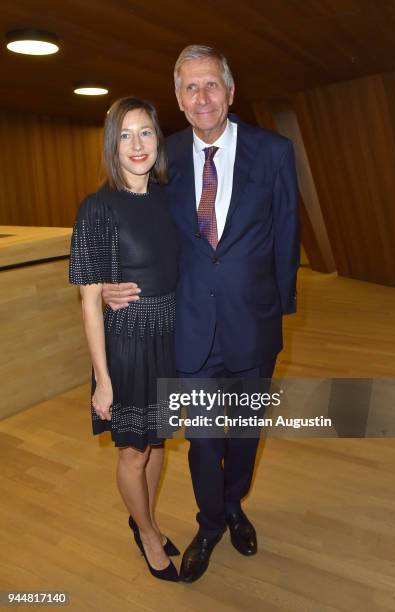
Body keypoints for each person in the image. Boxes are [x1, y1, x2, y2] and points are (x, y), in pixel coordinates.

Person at [102, 45, 300, 583]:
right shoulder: (162, 159)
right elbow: (132, 221)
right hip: (189, 329)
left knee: (244, 435)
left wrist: (278, 312)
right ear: (179, 100)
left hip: (253, 324)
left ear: (230, 92)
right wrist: (106, 284)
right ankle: (210, 522)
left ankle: (235, 505)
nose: (202, 96)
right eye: (190, 87)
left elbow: (287, 236)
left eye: (211, 84)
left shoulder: (274, 152)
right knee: (203, 439)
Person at [69, 97, 180, 582]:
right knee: (132, 451)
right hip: (128, 344)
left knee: (156, 444)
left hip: (169, 337)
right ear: (113, 144)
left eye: (146, 133)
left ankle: (147, 519)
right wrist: (103, 381)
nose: (137, 145)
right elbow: (90, 303)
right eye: (126, 134)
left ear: (159, 139)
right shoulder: (97, 208)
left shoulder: (169, 196)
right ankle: (148, 533)